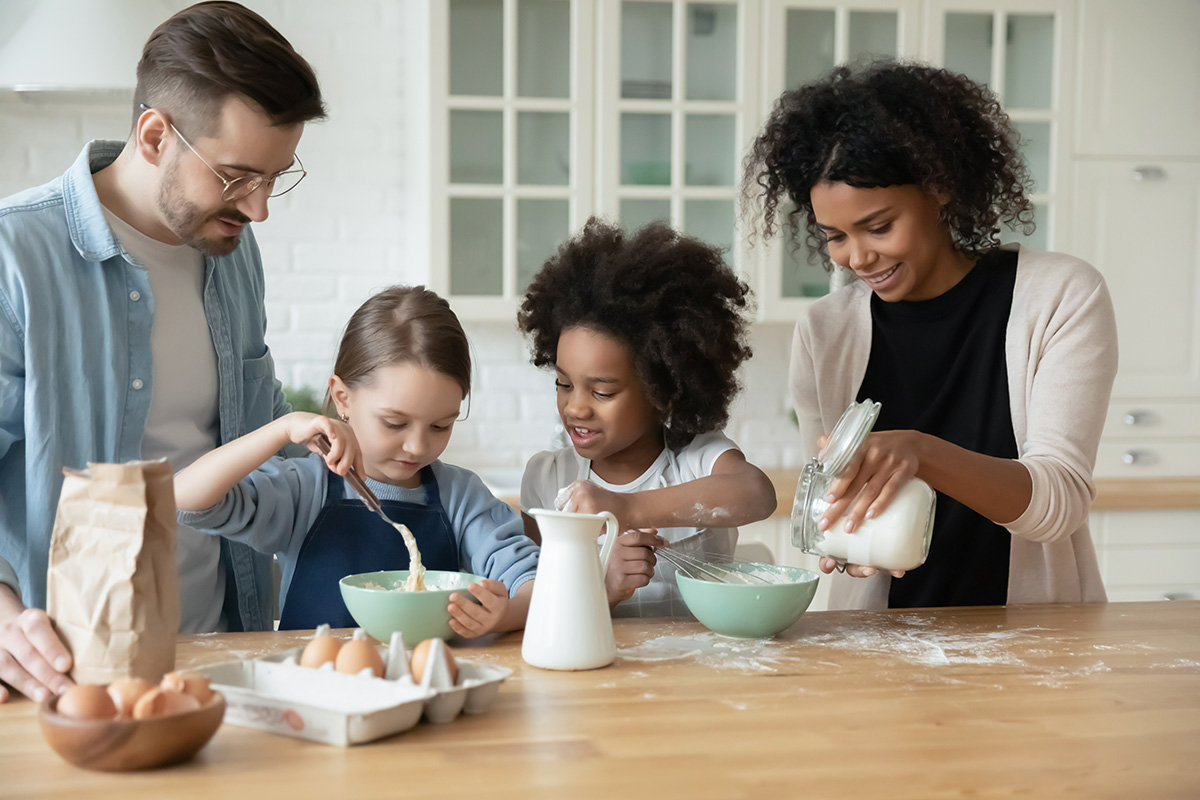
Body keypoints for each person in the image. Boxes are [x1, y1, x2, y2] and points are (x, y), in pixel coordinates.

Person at [0, 1, 325, 702]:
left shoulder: (235, 256)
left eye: (276, 177)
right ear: (154, 136)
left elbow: (263, 440)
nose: (260, 208)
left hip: (224, 666)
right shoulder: (14, 256)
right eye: (238, 176)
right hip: (62, 678)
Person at [741, 60, 1118, 609]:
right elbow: (829, 493)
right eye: (835, 237)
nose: (858, 257)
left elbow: (1059, 503)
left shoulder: (1061, 297)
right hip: (875, 647)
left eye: (879, 226)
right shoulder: (825, 332)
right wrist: (843, 530)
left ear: (939, 185)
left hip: (1034, 645)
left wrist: (918, 451)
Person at [174, 285, 540, 635]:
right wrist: (282, 429)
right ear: (343, 399)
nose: (416, 446)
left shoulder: (462, 498)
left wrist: (505, 613)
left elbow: (536, 583)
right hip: (315, 686)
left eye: (440, 425)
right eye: (394, 423)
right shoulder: (303, 489)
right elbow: (187, 499)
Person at [518, 219, 777, 617]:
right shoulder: (546, 479)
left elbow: (757, 494)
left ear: (664, 391)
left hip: (704, 672)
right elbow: (537, 601)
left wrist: (628, 508)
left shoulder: (697, 458)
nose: (575, 408)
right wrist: (602, 584)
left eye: (602, 392)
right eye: (563, 384)